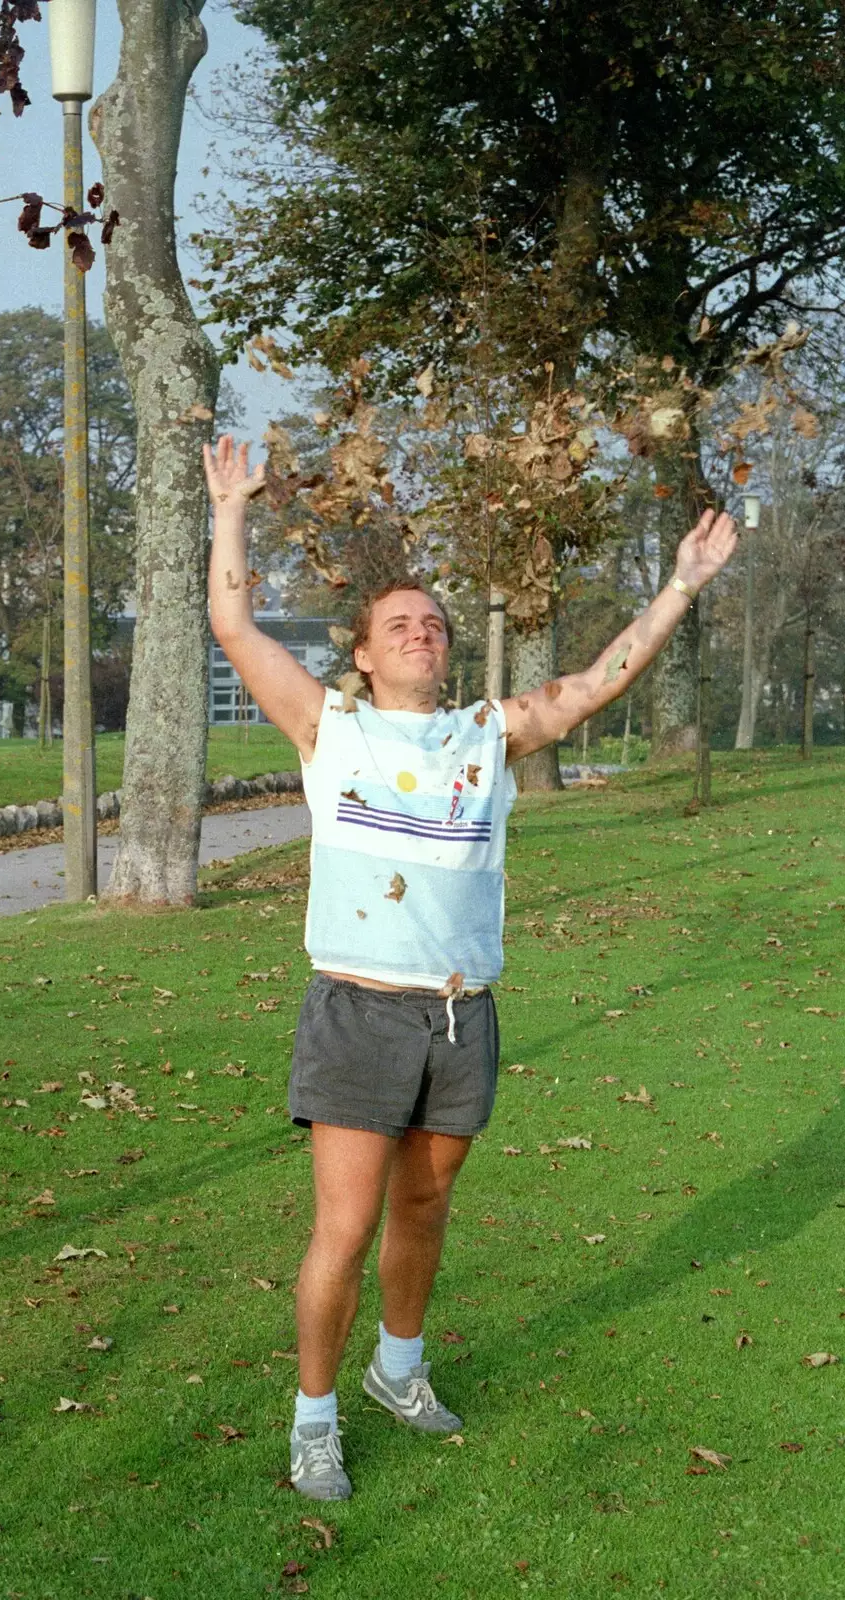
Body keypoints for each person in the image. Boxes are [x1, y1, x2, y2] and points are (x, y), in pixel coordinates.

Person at [204, 433, 737, 1501]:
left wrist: (679, 584)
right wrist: (231, 508)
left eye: (434, 625)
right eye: (399, 623)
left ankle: (399, 1369)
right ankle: (315, 1420)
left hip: (460, 1016)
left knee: (425, 1210)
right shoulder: (330, 728)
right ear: (361, 651)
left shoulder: (488, 737)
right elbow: (232, 624)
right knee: (345, 1227)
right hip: (359, 1007)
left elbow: (597, 679)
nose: (421, 632)